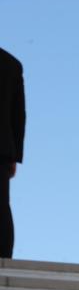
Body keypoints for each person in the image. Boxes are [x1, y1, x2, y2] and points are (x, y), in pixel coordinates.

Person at [0, 47, 25, 259]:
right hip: (2, 149)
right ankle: (3, 257)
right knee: (1, 206)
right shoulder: (11, 64)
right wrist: (15, 155)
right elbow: (18, 116)